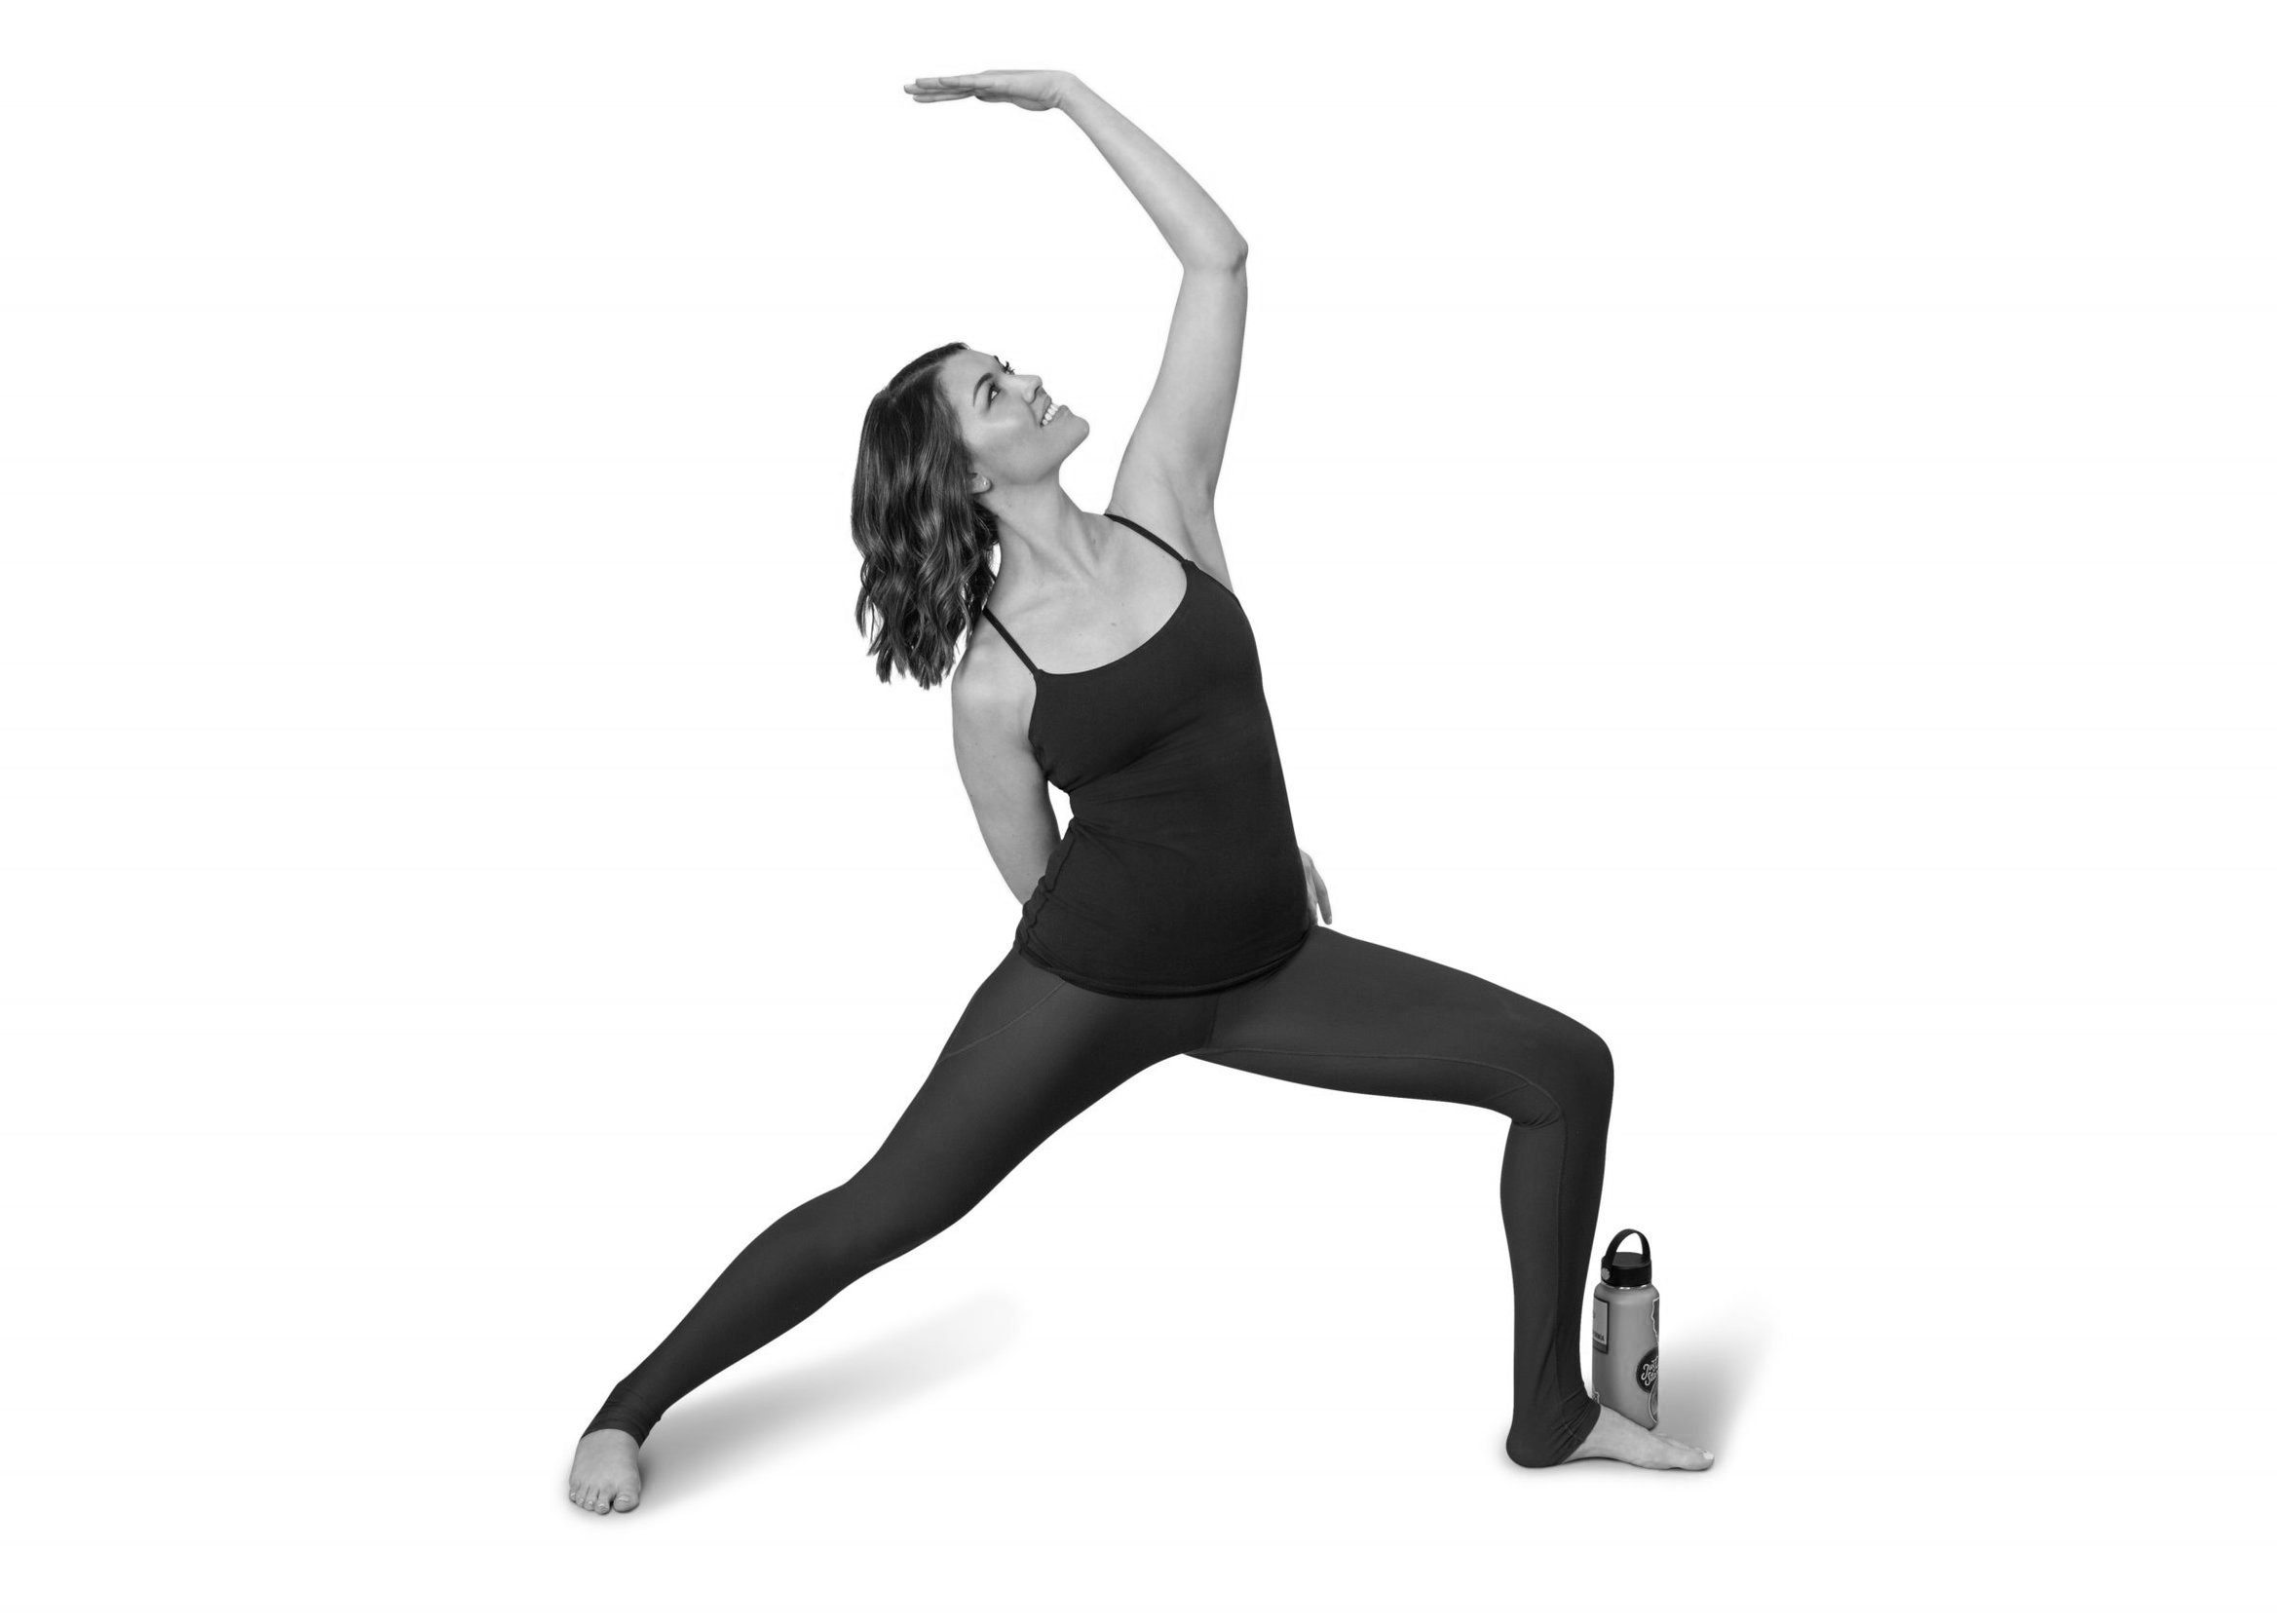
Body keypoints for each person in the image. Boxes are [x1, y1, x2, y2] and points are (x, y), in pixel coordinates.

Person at [567, 67, 1713, 1515]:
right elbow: (1038, 880)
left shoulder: (1163, 502)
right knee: (885, 1210)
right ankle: (627, 1408)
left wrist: (1069, 97)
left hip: (1269, 965)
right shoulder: (993, 683)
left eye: (1010, 365)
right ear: (962, 476)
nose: (1029, 381)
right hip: (1096, 986)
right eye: (994, 393)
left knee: (1564, 1071)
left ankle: (1551, 1415)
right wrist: (1142, 936)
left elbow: (1217, 259)